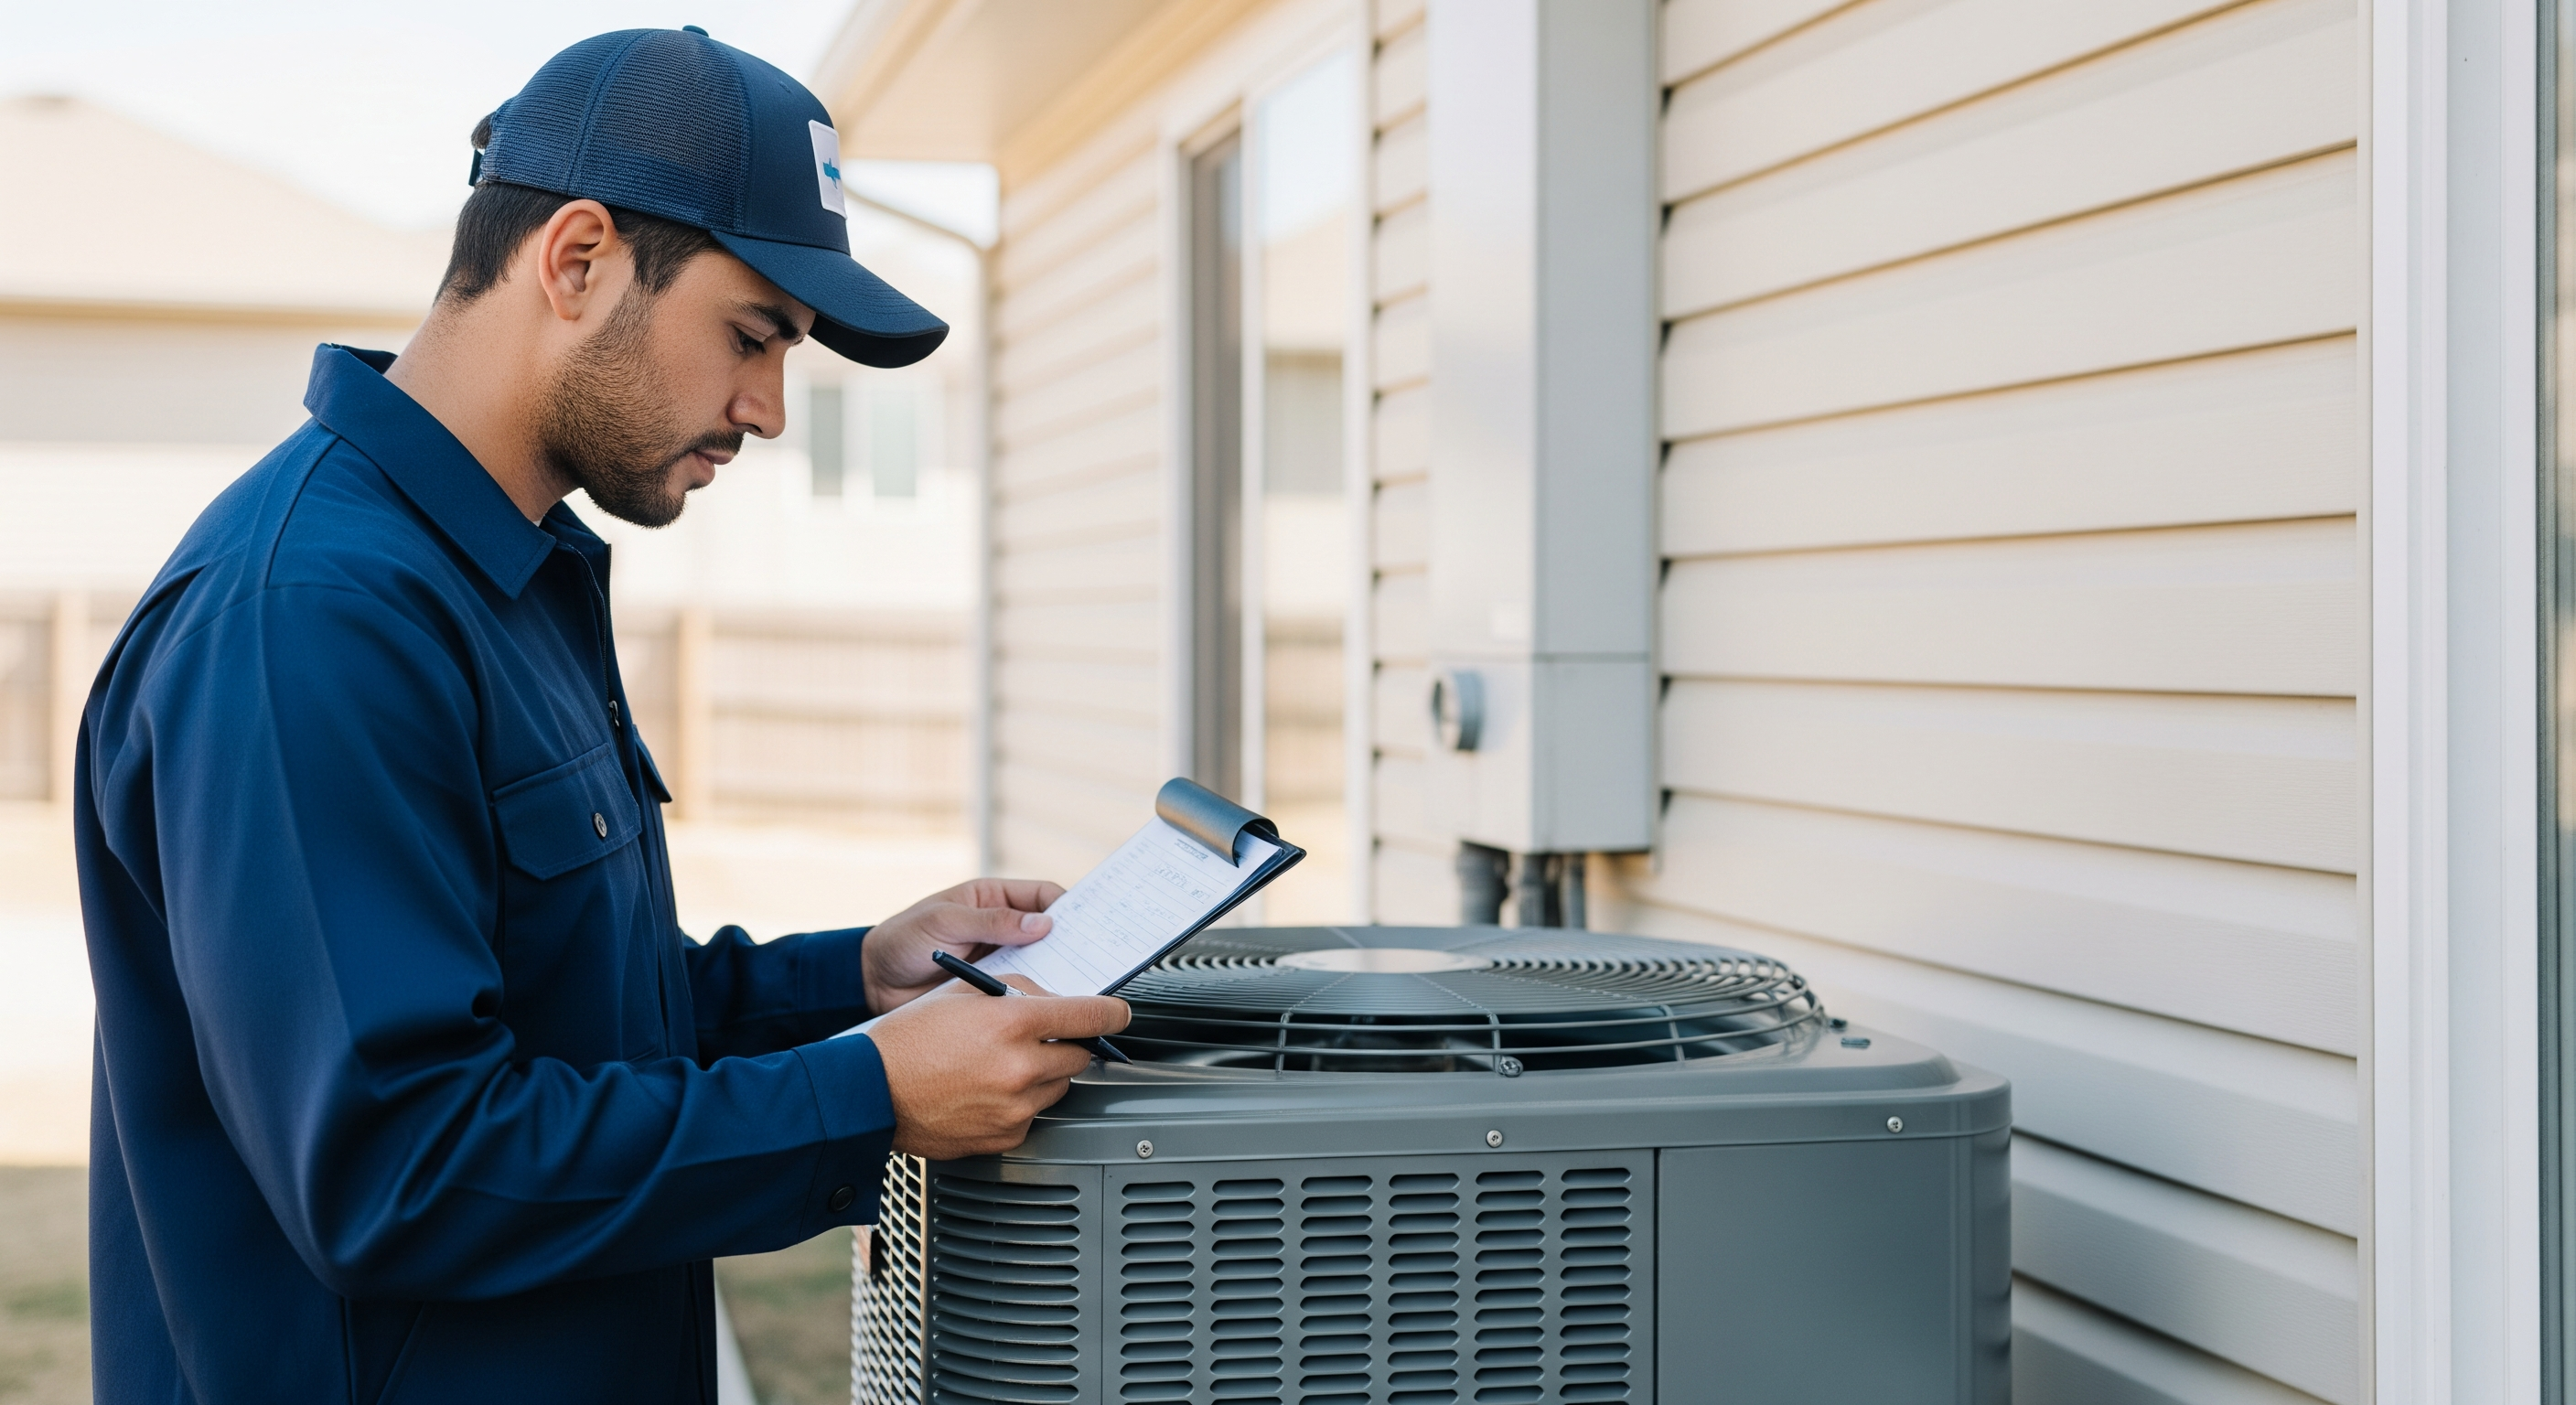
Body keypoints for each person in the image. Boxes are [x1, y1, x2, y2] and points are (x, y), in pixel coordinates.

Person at [73, 27, 1127, 1403]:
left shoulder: (503, 575)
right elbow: (403, 1167)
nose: (768, 408)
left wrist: (852, 980)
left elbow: (557, 1011)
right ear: (576, 261)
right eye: (753, 336)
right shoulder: (313, 618)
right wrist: (868, 1099)